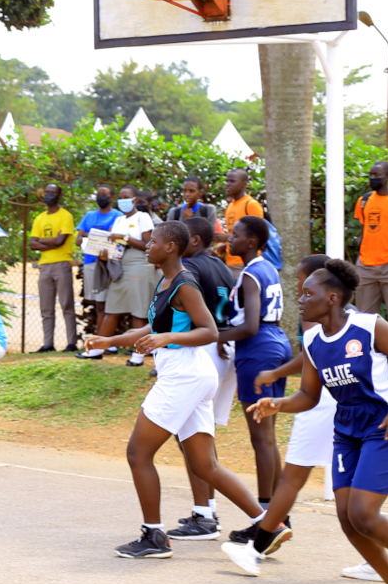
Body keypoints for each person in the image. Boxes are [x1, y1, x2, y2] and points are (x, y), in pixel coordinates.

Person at [84, 220, 264, 559]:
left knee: (138, 453)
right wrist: (110, 340)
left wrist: (168, 338)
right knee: (204, 466)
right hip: (191, 374)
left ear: (170, 247)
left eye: (153, 241)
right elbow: (154, 327)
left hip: (184, 374)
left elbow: (209, 330)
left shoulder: (184, 283)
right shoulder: (165, 281)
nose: (147, 245)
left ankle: (154, 537)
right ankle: (268, 523)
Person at [239, 261, 388, 584]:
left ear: (333, 297)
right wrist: (278, 403)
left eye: (309, 293)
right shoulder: (313, 340)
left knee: (364, 514)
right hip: (347, 428)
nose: (301, 299)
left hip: (380, 424)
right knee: (348, 519)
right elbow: (308, 396)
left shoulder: (369, 327)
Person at [221, 255, 336, 573]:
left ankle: (265, 529)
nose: (297, 288)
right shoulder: (329, 312)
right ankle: (268, 528)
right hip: (317, 393)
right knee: (291, 469)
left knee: (277, 457)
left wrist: (273, 375)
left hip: (325, 402)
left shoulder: (319, 313)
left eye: (301, 281)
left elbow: (311, 354)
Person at [164, 216, 240, 540]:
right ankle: (205, 511)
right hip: (225, 349)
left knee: (191, 438)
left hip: (205, 351)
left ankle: (204, 514)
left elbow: (194, 316)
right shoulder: (223, 267)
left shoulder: (190, 268)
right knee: (200, 435)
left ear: (193, 241)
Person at [221, 214, 294, 515]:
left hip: (258, 346)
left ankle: (266, 518)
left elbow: (250, 326)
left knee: (260, 437)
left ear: (251, 241)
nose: (230, 238)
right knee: (268, 437)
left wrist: (217, 336)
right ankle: (278, 514)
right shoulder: (268, 268)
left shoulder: (250, 274)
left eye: (235, 234)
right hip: (277, 340)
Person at [94, 186, 156, 368]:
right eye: (120, 197)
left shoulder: (143, 218)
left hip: (139, 264)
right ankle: (97, 349)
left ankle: (138, 354)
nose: (123, 201)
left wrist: (126, 238)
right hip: (120, 265)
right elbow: (115, 244)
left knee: (138, 310)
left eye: (126, 197)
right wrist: (103, 252)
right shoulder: (119, 219)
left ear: (135, 200)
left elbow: (148, 245)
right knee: (112, 307)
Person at [74, 185, 121, 359]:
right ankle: (105, 342)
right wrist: (98, 235)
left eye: (105, 194)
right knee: (98, 303)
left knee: (108, 304)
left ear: (112, 197)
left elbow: (118, 238)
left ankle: (102, 342)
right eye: (99, 194)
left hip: (109, 265)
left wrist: (91, 235)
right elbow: (79, 239)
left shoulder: (118, 216)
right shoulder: (89, 216)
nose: (101, 197)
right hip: (91, 264)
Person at [29, 183, 77, 353]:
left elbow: (60, 241)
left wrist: (41, 241)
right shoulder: (39, 218)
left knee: (67, 305)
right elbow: (32, 244)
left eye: (53, 192)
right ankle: (48, 344)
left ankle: (72, 343)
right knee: (46, 307)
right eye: (47, 192)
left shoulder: (66, 216)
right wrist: (49, 242)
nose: (49, 195)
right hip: (44, 267)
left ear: (59, 196)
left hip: (62, 264)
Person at [352, 160, 388, 316]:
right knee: (364, 319)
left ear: (387, 177)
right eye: (371, 175)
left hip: (387, 264)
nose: (373, 178)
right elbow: (363, 230)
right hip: (366, 267)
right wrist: (359, 258)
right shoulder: (364, 201)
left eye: (377, 175)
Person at [218, 167, 264, 270]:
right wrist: (222, 246)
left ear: (244, 184)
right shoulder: (230, 206)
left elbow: (257, 237)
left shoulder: (251, 205)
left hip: (245, 263)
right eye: (227, 181)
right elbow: (233, 235)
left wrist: (226, 238)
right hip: (230, 263)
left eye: (232, 181)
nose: (228, 184)